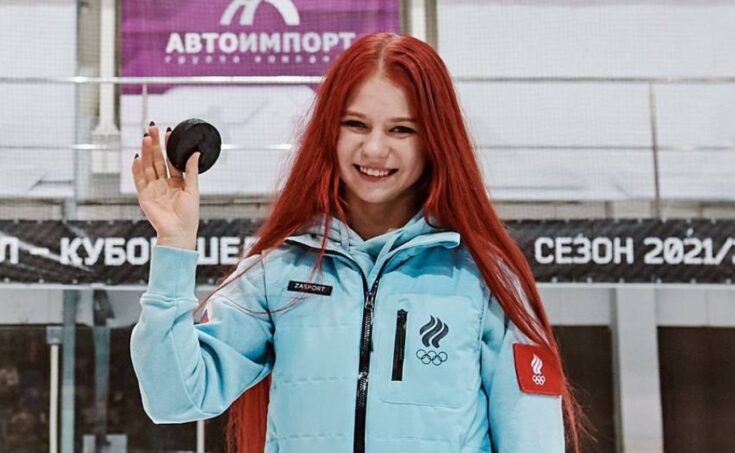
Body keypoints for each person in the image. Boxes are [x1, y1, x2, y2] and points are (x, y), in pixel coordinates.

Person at [130, 32, 584, 453]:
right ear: (330, 131)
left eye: (401, 129)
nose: (374, 150)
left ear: (434, 140)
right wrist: (175, 245)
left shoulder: (485, 280)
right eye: (356, 125)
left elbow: (534, 442)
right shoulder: (278, 273)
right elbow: (174, 397)